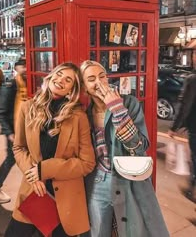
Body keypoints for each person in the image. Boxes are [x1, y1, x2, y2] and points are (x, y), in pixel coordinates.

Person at [4, 62, 95, 237]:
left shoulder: (78, 117)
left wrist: (43, 170)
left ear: (71, 89)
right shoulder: (27, 107)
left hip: (66, 200)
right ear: (51, 76)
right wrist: (33, 175)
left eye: (68, 80)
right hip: (33, 191)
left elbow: (87, 163)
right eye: (59, 74)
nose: (61, 80)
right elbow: (19, 147)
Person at [80, 60, 169, 237]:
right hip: (96, 181)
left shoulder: (129, 104)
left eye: (102, 76)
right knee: (98, 231)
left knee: (133, 231)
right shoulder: (84, 114)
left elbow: (140, 147)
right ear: (84, 87)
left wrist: (117, 109)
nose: (99, 82)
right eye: (91, 79)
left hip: (127, 178)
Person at [0, 59, 28, 203]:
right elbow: (0, 112)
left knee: (20, 160)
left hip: (26, 129)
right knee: (11, 159)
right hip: (14, 131)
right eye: (23, 66)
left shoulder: (30, 84)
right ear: (17, 68)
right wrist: (9, 132)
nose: (26, 69)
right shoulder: (11, 85)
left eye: (28, 66)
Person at [168, 72, 196, 202]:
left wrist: (174, 127)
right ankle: (191, 188)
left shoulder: (192, 79)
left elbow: (185, 104)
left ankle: (191, 189)